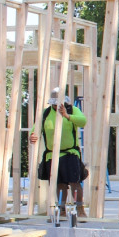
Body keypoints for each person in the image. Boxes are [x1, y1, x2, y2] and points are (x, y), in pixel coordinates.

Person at [30, 88, 88, 218]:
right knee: (59, 183)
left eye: (60, 104)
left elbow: (83, 121)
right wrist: (32, 136)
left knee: (75, 182)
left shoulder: (72, 110)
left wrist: (67, 116)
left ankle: (80, 208)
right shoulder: (45, 114)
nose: (57, 106)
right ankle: (62, 210)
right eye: (55, 104)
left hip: (70, 153)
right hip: (52, 155)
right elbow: (35, 130)